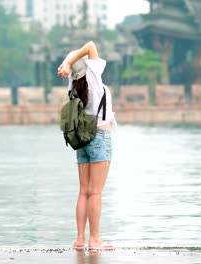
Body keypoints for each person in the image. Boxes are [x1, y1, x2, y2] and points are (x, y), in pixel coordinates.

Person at [57, 41, 116, 251]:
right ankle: (95, 239)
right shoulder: (93, 77)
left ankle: (80, 239)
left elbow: (77, 55)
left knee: (83, 191)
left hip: (82, 139)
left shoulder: (73, 84)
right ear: (89, 66)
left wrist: (67, 64)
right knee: (96, 192)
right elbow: (90, 44)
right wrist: (68, 61)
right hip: (100, 136)